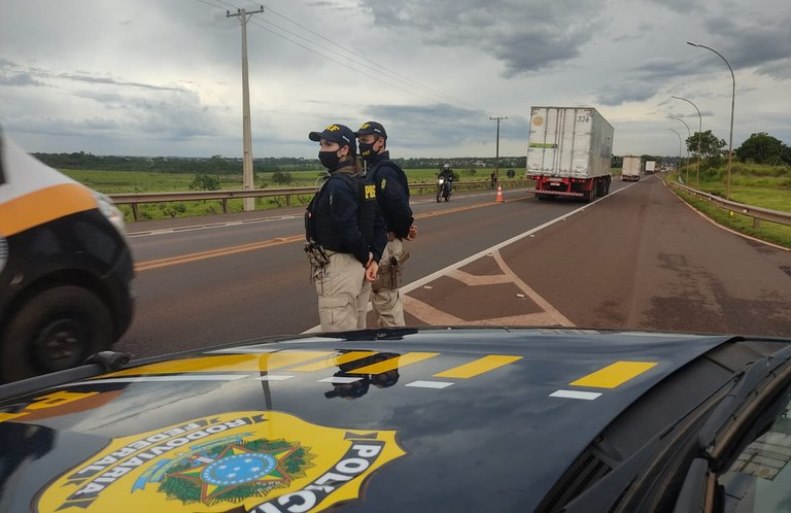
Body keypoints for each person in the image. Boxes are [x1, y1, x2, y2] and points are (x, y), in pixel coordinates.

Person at [305, 123, 387, 332]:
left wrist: (368, 258)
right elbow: (379, 224)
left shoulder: (337, 185)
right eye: (321, 144)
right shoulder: (363, 180)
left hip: (340, 269)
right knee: (356, 335)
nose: (322, 150)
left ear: (344, 150)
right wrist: (373, 258)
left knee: (339, 341)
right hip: (360, 268)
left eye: (328, 145)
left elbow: (348, 229)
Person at [355, 121, 417, 328]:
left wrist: (403, 229)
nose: (361, 146)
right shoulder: (373, 170)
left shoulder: (385, 172)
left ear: (380, 141)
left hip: (386, 246)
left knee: (387, 305)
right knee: (381, 303)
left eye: (365, 140)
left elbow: (399, 208)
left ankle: (395, 352)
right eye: (359, 141)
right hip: (378, 246)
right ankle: (386, 350)